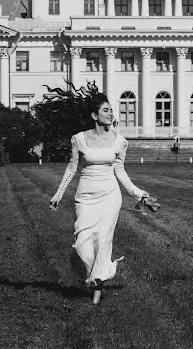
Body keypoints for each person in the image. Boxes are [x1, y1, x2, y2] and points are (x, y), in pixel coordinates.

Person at [49, 93, 149, 305]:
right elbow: (72, 167)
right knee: (81, 244)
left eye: (111, 110)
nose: (110, 113)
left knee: (103, 242)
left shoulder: (120, 141)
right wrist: (58, 194)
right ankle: (89, 276)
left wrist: (138, 193)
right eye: (105, 110)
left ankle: (97, 288)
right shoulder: (79, 139)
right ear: (94, 115)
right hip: (85, 196)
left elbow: (120, 171)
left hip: (110, 196)